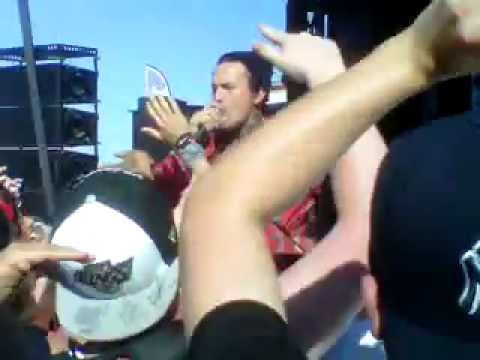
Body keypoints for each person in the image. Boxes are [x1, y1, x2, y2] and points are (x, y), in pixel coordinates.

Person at [172, 0, 480, 358]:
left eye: (227, 87)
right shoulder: (209, 149)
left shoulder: (308, 146)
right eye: (214, 88)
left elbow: (220, 210)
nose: (216, 98)